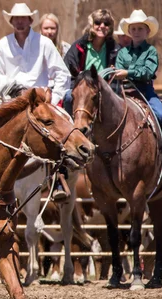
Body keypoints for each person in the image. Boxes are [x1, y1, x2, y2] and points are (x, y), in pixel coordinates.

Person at [58, 9, 120, 201]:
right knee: (68, 98)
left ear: (110, 27)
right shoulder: (79, 46)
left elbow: (117, 74)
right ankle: (69, 134)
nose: (102, 27)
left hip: (106, 92)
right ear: (91, 25)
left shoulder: (114, 48)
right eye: (98, 23)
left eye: (106, 23)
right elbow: (66, 70)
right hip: (81, 92)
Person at [114, 10, 162, 163]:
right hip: (124, 92)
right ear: (129, 32)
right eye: (133, 29)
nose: (136, 32)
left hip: (145, 91)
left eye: (140, 28)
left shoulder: (150, 51)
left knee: (161, 114)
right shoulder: (122, 53)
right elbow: (117, 70)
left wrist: (127, 72)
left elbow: (148, 72)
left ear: (147, 31)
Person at [0, 3, 70, 107]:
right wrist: (11, 86)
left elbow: (62, 73)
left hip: (39, 101)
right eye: (16, 18)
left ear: (30, 20)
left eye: (23, 17)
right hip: (10, 101)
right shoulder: (2, 44)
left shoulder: (44, 43)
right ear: (11, 21)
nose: (20, 21)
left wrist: (54, 99)